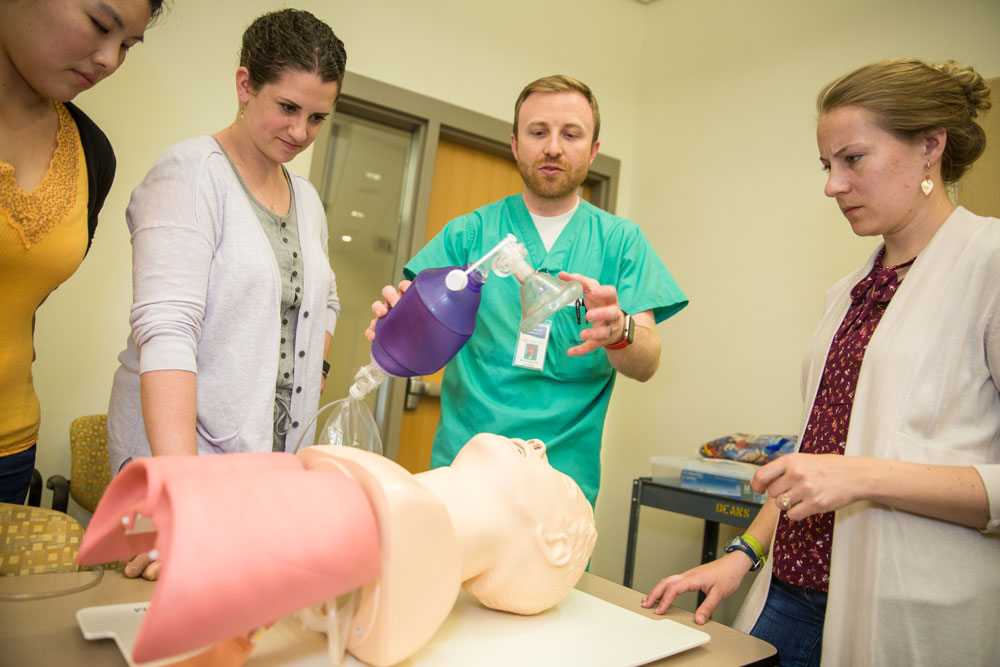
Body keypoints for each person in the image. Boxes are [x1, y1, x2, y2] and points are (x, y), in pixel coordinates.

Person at [643, 58, 999, 667]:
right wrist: (742, 556)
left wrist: (860, 475)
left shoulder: (988, 265)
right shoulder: (850, 292)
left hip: (909, 609)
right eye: (826, 165)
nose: (832, 185)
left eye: (852, 159)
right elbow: (816, 460)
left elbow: (844, 471)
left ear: (930, 148)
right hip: (791, 592)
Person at [369, 75, 688, 505]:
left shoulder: (620, 242)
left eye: (570, 134)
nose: (553, 146)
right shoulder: (468, 234)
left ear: (593, 151)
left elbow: (647, 361)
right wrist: (398, 325)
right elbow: (412, 332)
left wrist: (621, 331)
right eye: (538, 132)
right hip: (463, 474)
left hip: (561, 485)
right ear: (516, 144)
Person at [106, 9, 345, 576]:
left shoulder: (305, 198)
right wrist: (177, 490)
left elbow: (324, 300)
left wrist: (298, 378)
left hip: (266, 462)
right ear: (245, 85)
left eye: (317, 117)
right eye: (288, 107)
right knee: (154, 614)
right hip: (175, 461)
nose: (300, 132)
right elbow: (166, 332)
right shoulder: (189, 175)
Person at [78, 433, 597, 666]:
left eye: (553, 474)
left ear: (552, 544)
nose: (538, 447)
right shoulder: (383, 495)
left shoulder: (401, 528)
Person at [0, 0, 166, 505]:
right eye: (100, 26)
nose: (110, 60)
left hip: (9, 444)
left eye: (127, 46)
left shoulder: (91, 152)